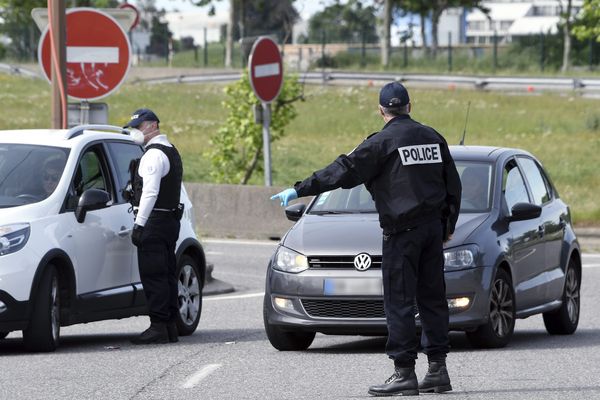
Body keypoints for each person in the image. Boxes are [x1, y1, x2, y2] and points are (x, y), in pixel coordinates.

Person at [271, 82, 461, 396]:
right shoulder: (433, 138)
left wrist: (300, 188)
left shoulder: (381, 143)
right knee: (432, 300)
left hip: (402, 233)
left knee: (399, 302)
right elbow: (453, 185)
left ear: (381, 110)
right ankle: (438, 370)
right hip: (431, 231)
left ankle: (404, 373)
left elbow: (343, 171)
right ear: (409, 107)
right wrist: (448, 224)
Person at [124, 108, 183, 345]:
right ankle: (169, 326)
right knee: (167, 273)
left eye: (138, 127)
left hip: (154, 221)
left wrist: (139, 225)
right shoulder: (171, 151)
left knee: (153, 274)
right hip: (168, 220)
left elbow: (150, 192)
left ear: (152, 126)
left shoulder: (153, 155)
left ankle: (158, 326)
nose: (135, 132)